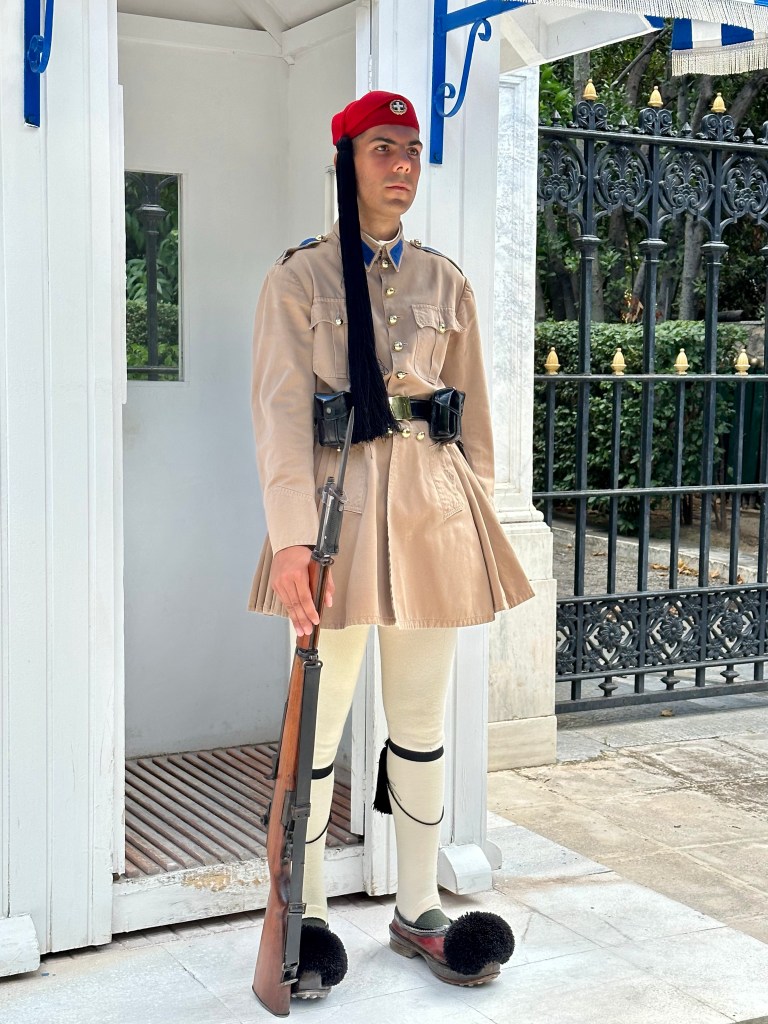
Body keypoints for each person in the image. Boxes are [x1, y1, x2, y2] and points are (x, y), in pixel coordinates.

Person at [249, 90, 533, 999]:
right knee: (318, 728)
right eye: (383, 148)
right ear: (346, 162)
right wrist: (291, 543)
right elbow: (280, 418)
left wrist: (473, 517)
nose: (403, 164)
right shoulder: (300, 279)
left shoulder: (445, 281)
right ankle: (307, 917)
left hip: (431, 519)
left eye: (411, 149)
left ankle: (420, 908)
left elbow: (472, 418)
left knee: (420, 722)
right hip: (334, 519)